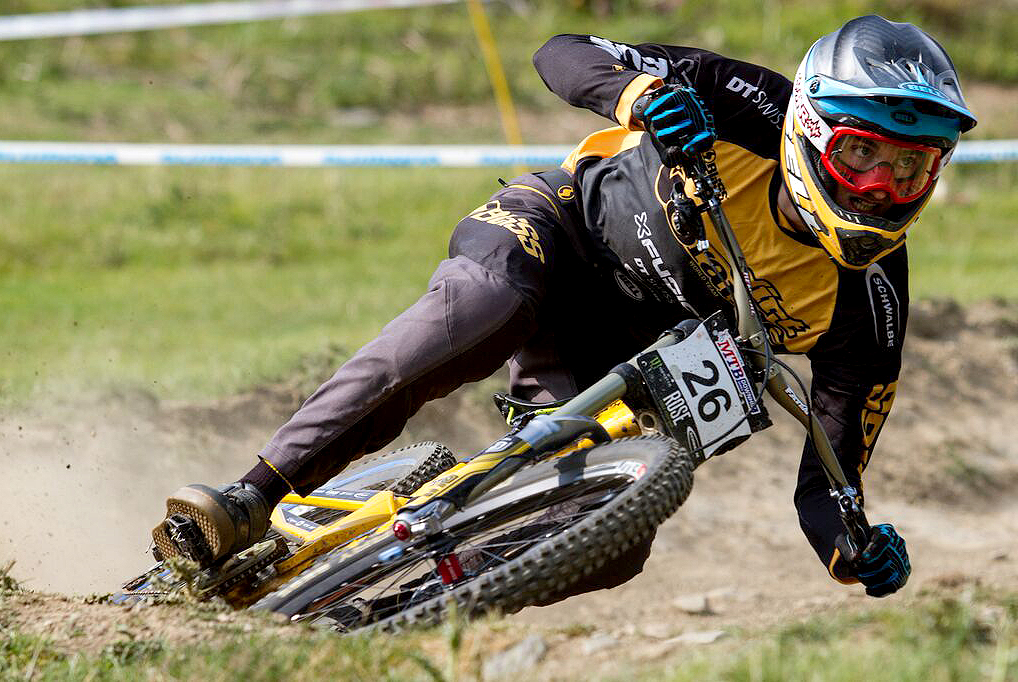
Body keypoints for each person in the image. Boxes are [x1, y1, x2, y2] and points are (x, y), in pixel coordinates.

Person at [152, 15, 976, 599]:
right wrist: (638, 96)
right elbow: (561, 52)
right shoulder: (742, 100)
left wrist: (851, 550)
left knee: (616, 546)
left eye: (910, 168)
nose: (882, 187)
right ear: (809, 129)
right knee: (484, 306)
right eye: (862, 155)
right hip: (557, 232)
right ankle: (249, 497)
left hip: (619, 355)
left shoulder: (873, 309)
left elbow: (830, 482)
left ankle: (397, 604)